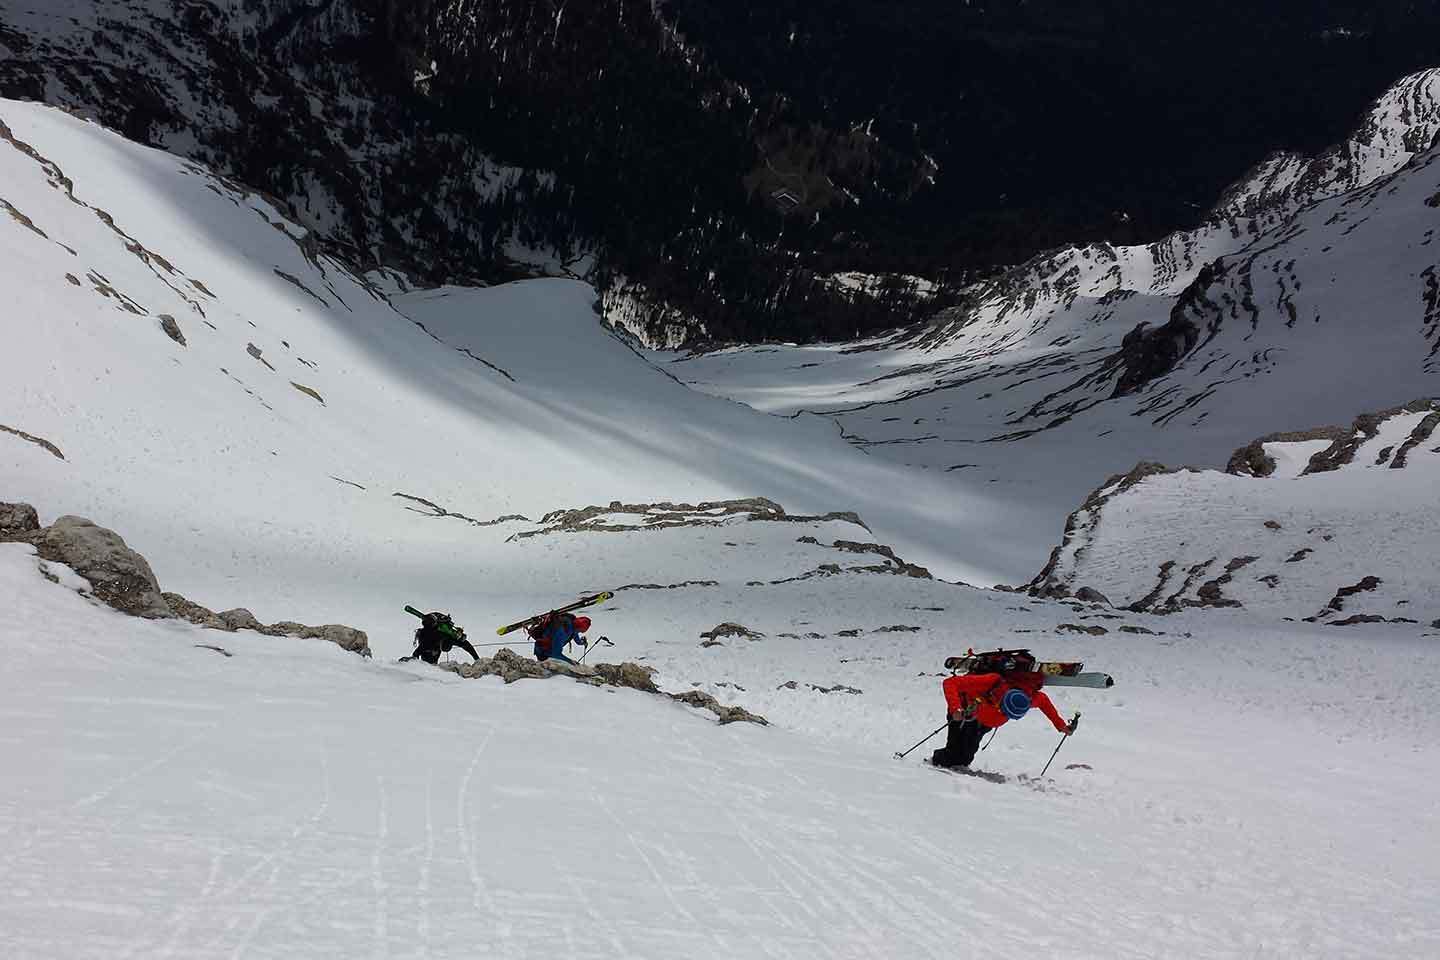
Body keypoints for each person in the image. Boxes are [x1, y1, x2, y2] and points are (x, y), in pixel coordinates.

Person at [930, 668, 1075, 769]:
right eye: (1004, 712)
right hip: (964, 714)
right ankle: (936, 768)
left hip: (984, 724)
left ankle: (948, 765)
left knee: (965, 757)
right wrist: (956, 709)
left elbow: (1045, 703)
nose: (1005, 716)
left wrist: (1061, 726)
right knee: (955, 754)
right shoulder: (991, 681)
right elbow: (950, 683)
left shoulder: (1027, 699)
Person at [402, 611, 479, 664]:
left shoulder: (445, 635)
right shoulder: (434, 635)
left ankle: (428, 664)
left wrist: (477, 659)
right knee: (428, 661)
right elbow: (423, 646)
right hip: (428, 645)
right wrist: (414, 656)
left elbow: (466, 644)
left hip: (430, 645)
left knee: (430, 662)